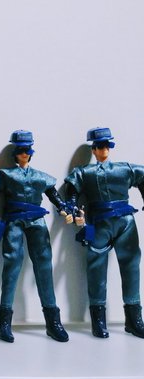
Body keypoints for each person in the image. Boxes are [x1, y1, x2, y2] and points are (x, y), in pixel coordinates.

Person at [0, 130, 71, 343]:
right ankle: (3, 323)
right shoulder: (6, 174)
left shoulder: (40, 176)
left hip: (37, 221)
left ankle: (53, 322)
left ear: (31, 152)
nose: (24, 154)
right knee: (12, 265)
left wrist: (64, 209)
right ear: (15, 153)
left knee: (44, 265)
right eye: (20, 150)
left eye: (27, 150)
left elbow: (54, 195)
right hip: (14, 221)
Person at [64, 127, 144, 339]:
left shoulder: (124, 168)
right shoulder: (84, 172)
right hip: (98, 223)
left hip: (125, 222)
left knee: (131, 266)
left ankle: (134, 319)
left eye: (107, 145)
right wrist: (74, 210)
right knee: (96, 268)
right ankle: (98, 321)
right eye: (99, 146)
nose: (104, 150)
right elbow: (71, 192)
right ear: (93, 150)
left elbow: (143, 177)